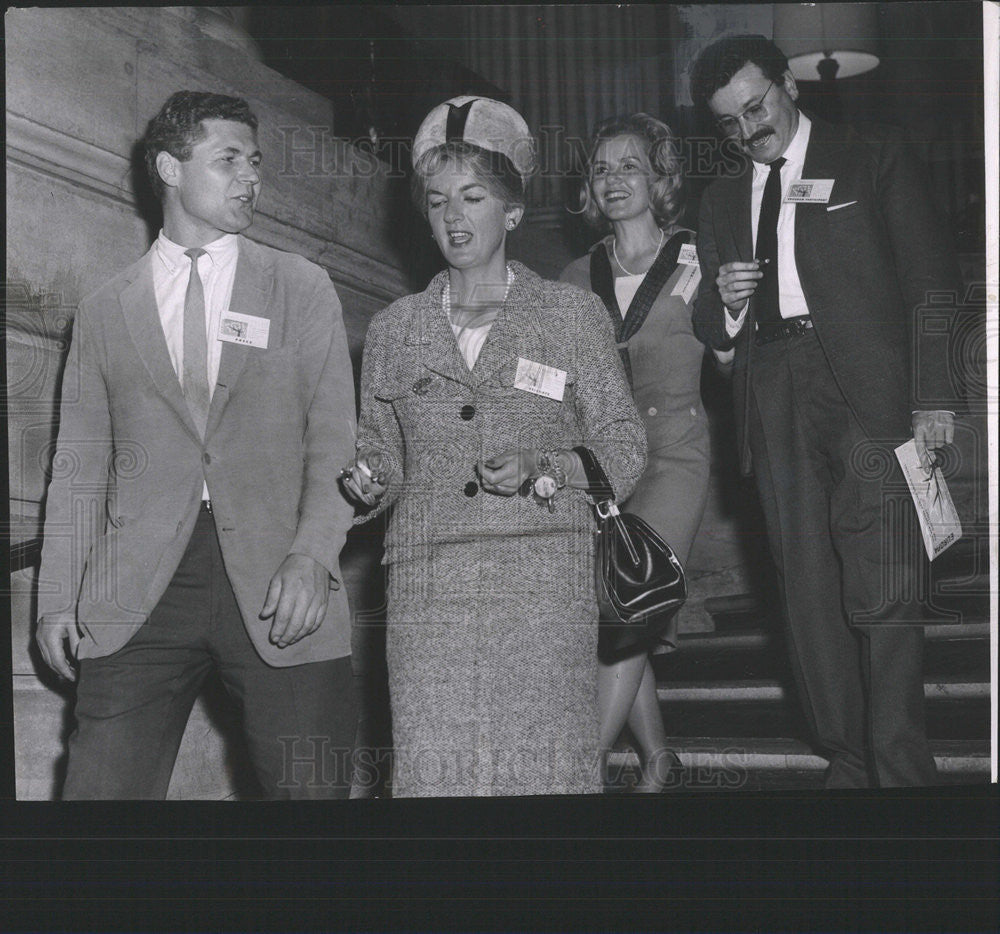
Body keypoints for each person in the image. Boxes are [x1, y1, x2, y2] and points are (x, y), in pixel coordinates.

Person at [35, 91, 359, 799]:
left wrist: (312, 555)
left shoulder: (301, 288)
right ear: (170, 169)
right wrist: (58, 595)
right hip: (139, 587)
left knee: (313, 802)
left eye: (257, 162)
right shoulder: (102, 311)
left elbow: (335, 439)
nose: (252, 177)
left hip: (280, 579)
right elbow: (78, 465)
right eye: (229, 159)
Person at [341, 96, 646, 797]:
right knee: (432, 775)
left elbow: (624, 447)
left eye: (473, 197)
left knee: (545, 775)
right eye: (439, 199)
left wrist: (549, 466)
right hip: (427, 589)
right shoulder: (393, 328)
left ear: (510, 212)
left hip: (543, 582)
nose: (453, 216)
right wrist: (365, 483)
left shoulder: (570, 315)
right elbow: (381, 456)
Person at [690, 36, 961, 788]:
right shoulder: (718, 199)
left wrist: (936, 399)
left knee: (885, 586)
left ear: (788, 85)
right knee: (806, 590)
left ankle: (900, 766)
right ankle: (845, 754)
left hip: (865, 391)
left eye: (757, 107)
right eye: (728, 124)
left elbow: (931, 284)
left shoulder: (871, 155)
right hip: (770, 390)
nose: (748, 131)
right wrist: (727, 301)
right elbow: (710, 328)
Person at [560, 114, 711, 792]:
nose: (613, 179)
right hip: (599, 468)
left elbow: (737, 351)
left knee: (628, 610)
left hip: (675, 455)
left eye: (629, 166)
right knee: (615, 610)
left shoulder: (698, 257)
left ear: (660, 177)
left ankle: (578, 770)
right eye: (601, 168)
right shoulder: (574, 273)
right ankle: (658, 761)